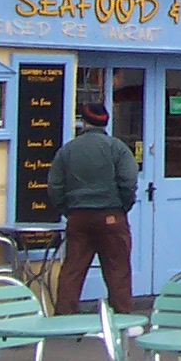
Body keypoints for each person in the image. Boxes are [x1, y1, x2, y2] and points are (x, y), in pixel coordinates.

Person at [48, 103, 140, 314]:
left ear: (83, 122)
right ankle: (123, 318)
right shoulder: (117, 148)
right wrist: (122, 207)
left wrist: (68, 210)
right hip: (111, 215)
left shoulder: (67, 150)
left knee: (73, 270)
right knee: (118, 270)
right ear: (106, 123)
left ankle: (64, 317)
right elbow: (128, 181)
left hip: (78, 216)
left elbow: (55, 187)